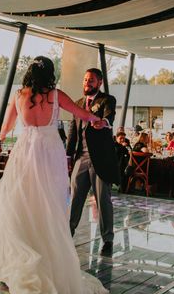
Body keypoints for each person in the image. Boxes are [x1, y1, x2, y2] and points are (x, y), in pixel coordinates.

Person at [0, 57, 107, 293]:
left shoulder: (19, 95)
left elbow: (4, 130)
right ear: (51, 74)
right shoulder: (56, 95)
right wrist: (98, 121)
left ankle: (21, 255)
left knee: (20, 202)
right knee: (49, 203)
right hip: (50, 154)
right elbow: (82, 114)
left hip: (25, 152)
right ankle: (46, 252)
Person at [66, 67, 119, 257]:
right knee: (74, 199)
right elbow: (73, 132)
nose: (87, 83)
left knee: (102, 199)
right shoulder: (78, 103)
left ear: (99, 83)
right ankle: (66, 235)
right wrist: (68, 156)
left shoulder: (107, 100)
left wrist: (103, 122)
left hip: (101, 159)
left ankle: (108, 240)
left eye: (91, 80)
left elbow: (108, 117)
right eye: (85, 79)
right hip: (81, 157)